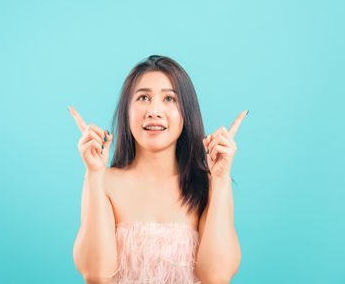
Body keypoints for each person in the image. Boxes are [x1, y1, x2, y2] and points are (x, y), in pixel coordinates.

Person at [70, 55, 247, 284]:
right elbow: (95, 274)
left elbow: (216, 276)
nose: (154, 110)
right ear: (127, 111)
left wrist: (221, 180)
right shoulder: (105, 183)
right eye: (143, 97)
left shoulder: (206, 186)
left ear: (187, 113)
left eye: (169, 99)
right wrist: (93, 174)